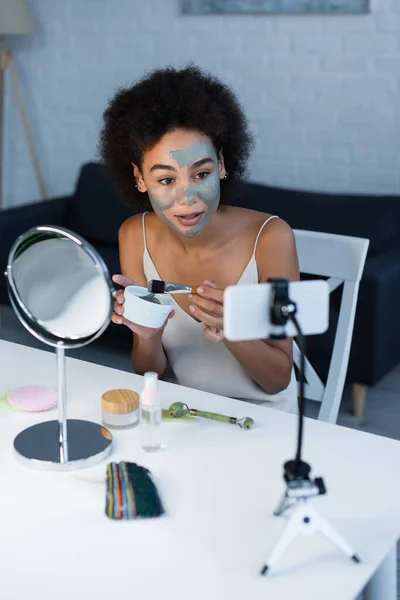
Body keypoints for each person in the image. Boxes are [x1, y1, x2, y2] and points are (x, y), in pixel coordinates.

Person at [100, 65, 299, 413]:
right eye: (165, 180)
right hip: (183, 413)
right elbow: (149, 373)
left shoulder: (271, 238)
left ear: (222, 165)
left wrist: (232, 327)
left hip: (264, 422)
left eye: (201, 173)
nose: (187, 198)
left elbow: (278, 379)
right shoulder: (135, 235)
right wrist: (149, 336)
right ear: (139, 178)